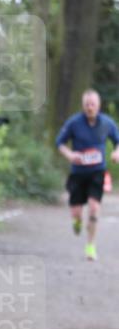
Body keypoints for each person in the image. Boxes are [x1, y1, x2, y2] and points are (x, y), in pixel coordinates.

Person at [56, 89, 119, 261]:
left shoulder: (107, 123)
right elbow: (59, 142)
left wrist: (116, 153)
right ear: (83, 106)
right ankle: (76, 221)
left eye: (93, 104)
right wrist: (70, 155)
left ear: (99, 105)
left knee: (94, 207)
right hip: (78, 174)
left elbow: (117, 141)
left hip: (97, 172)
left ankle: (91, 246)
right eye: (87, 104)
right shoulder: (74, 123)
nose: (90, 107)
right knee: (77, 211)